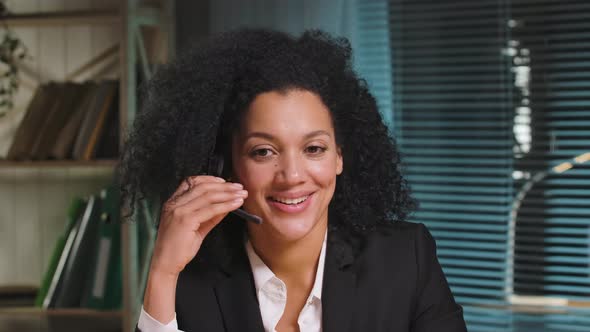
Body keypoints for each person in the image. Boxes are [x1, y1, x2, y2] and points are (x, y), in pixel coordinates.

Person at [119, 28, 467, 332]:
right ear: (224, 166)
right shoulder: (190, 281)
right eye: (263, 152)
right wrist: (162, 274)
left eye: (314, 148)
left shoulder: (406, 258)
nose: (293, 176)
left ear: (340, 156)